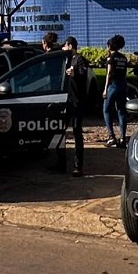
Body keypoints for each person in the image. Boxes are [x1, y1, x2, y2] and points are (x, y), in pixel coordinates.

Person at [50, 36, 88, 177]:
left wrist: (75, 73)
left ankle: (78, 166)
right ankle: (60, 162)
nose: (63, 48)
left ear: (70, 46)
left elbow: (83, 74)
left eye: (64, 46)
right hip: (66, 101)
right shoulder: (66, 60)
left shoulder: (79, 59)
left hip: (77, 101)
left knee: (77, 131)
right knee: (59, 130)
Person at [103, 34, 128, 148]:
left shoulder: (111, 58)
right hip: (123, 84)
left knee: (107, 109)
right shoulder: (123, 58)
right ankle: (123, 137)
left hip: (113, 85)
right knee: (121, 110)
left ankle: (111, 136)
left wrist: (105, 89)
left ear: (110, 46)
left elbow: (109, 73)